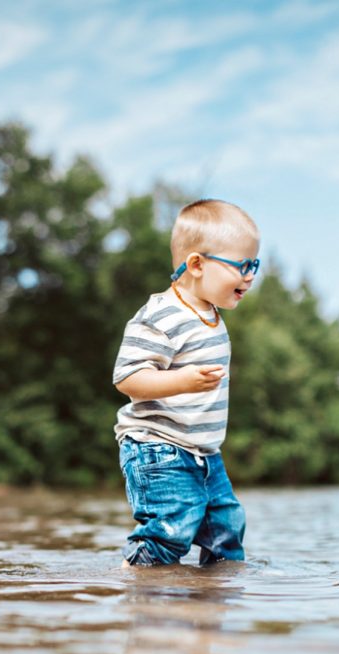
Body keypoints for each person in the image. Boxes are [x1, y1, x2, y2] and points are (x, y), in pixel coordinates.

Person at [113, 198, 260, 567]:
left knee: (228, 529)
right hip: (158, 448)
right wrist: (181, 380)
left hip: (205, 452)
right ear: (196, 264)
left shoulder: (209, 312)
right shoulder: (160, 315)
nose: (251, 276)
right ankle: (138, 577)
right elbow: (128, 378)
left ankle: (216, 599)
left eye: (254, 265)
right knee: (170, 530)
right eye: (242, 266)